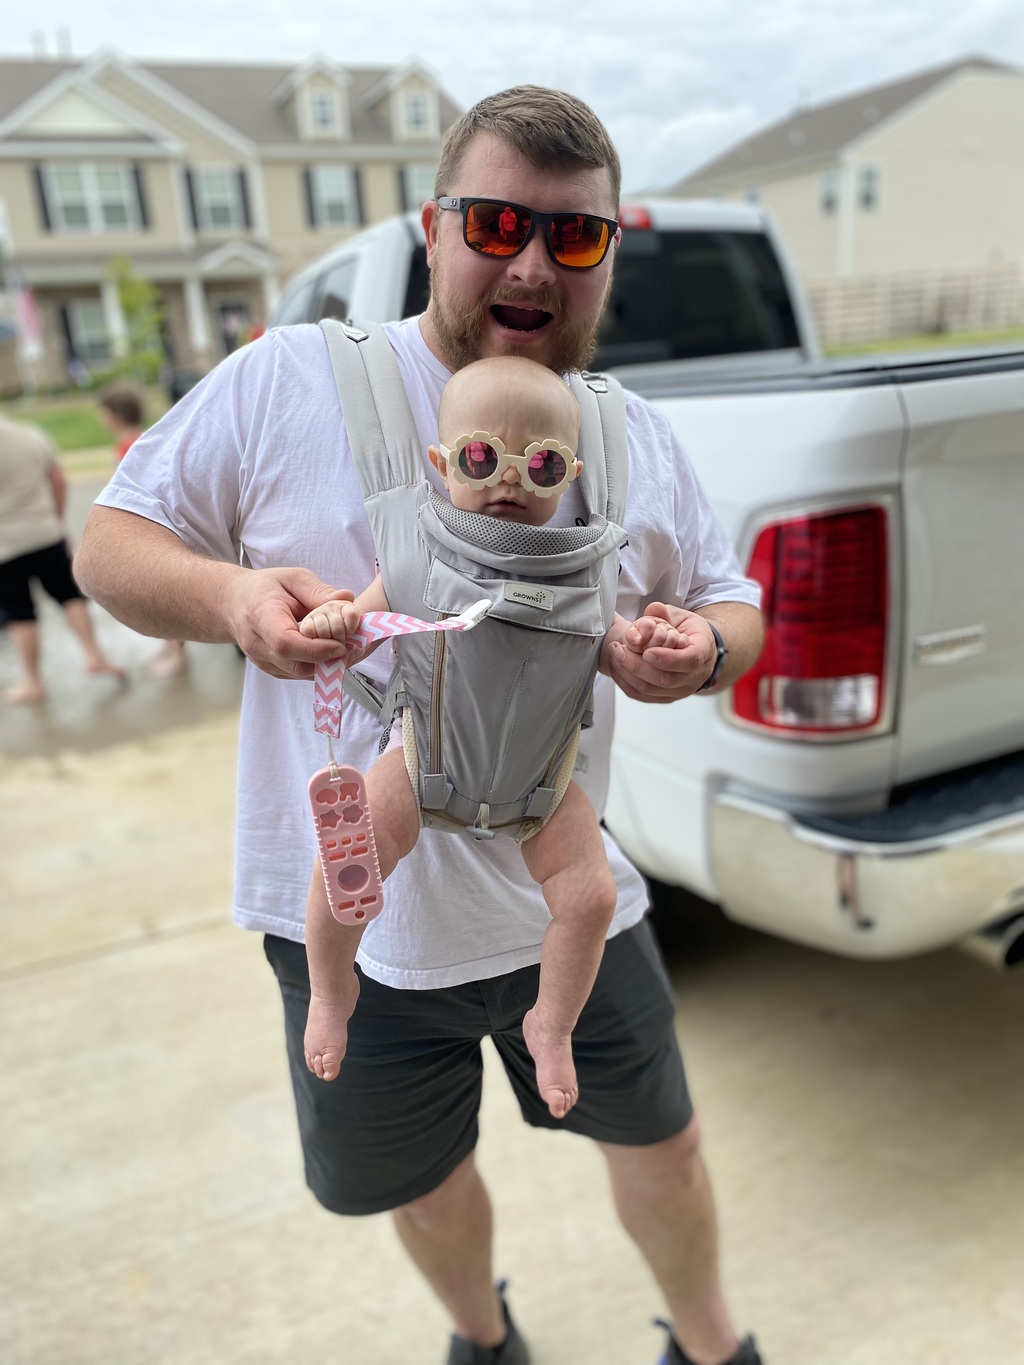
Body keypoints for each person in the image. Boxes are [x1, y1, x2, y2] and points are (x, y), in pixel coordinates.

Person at [74, 86, 766, 1365]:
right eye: (496, 222)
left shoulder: (628, 434)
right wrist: (233, 600)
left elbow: (733, 599)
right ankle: (483, 1338)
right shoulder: (288, 379)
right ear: (433, 227)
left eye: (575, 235)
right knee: (423, 1184)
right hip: (358, 906)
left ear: (610, 252)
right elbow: (108, 547)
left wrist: (703, 647)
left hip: (564, 884)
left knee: (662, 1144)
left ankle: (715, 1345)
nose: (531, 263)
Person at [299, 354, 694, 1120]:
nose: (509, 479)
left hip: (544, 788)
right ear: (441, 461)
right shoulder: (420, 548)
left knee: (591, 896)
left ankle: (552, 1023)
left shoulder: (588, 567)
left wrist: (646, 644)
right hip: (422, 764)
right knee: (348, 858)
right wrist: (334, 619)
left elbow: (615, 643)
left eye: (539, 465)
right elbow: (358, 624)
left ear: (570, 474)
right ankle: (331, 986)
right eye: (482, 457)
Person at [0, 414, 125, 705]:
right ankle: (94, 654)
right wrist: (56, 520)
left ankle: (32, 681)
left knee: (20, 614)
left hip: (5, 546)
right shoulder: (29, 434)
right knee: (70, 596)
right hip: (46, 531)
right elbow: (57, 479)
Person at [99, 385, 187, 680]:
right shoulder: (142, 438)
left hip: (150, 523)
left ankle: (176, 653)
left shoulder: (129, 446)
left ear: (115, 415)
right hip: (155, 520)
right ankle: (170, 646)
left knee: (161, 592)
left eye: (104, 413)